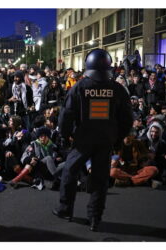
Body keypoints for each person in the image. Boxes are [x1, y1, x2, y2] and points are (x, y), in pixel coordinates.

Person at [52, 49, 133, 231]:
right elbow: (127, 118)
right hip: (105, 140)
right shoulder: (117, 89)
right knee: (100, 178)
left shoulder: (80, 87)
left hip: (83, 140)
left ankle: (65, 209)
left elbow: (66, 115)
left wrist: (65, 135)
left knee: (69, 172)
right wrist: (117, 138)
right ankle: (95, 218)